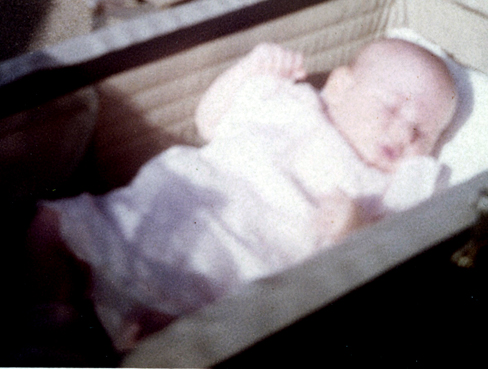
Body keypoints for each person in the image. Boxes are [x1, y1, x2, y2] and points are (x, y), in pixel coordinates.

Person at [26, 38, 457, 351]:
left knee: (188, 336)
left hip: (225, 265)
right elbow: (209, 121)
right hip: (164, 210)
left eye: (423, 132)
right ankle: (51, 306)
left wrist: (352, 230)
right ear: (341, 87)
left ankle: (125, 343)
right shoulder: (286, 100)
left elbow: (378, 258)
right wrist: (250, 69)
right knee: (51, 223)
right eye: (393, 106)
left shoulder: (382, 190)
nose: (403, 131)